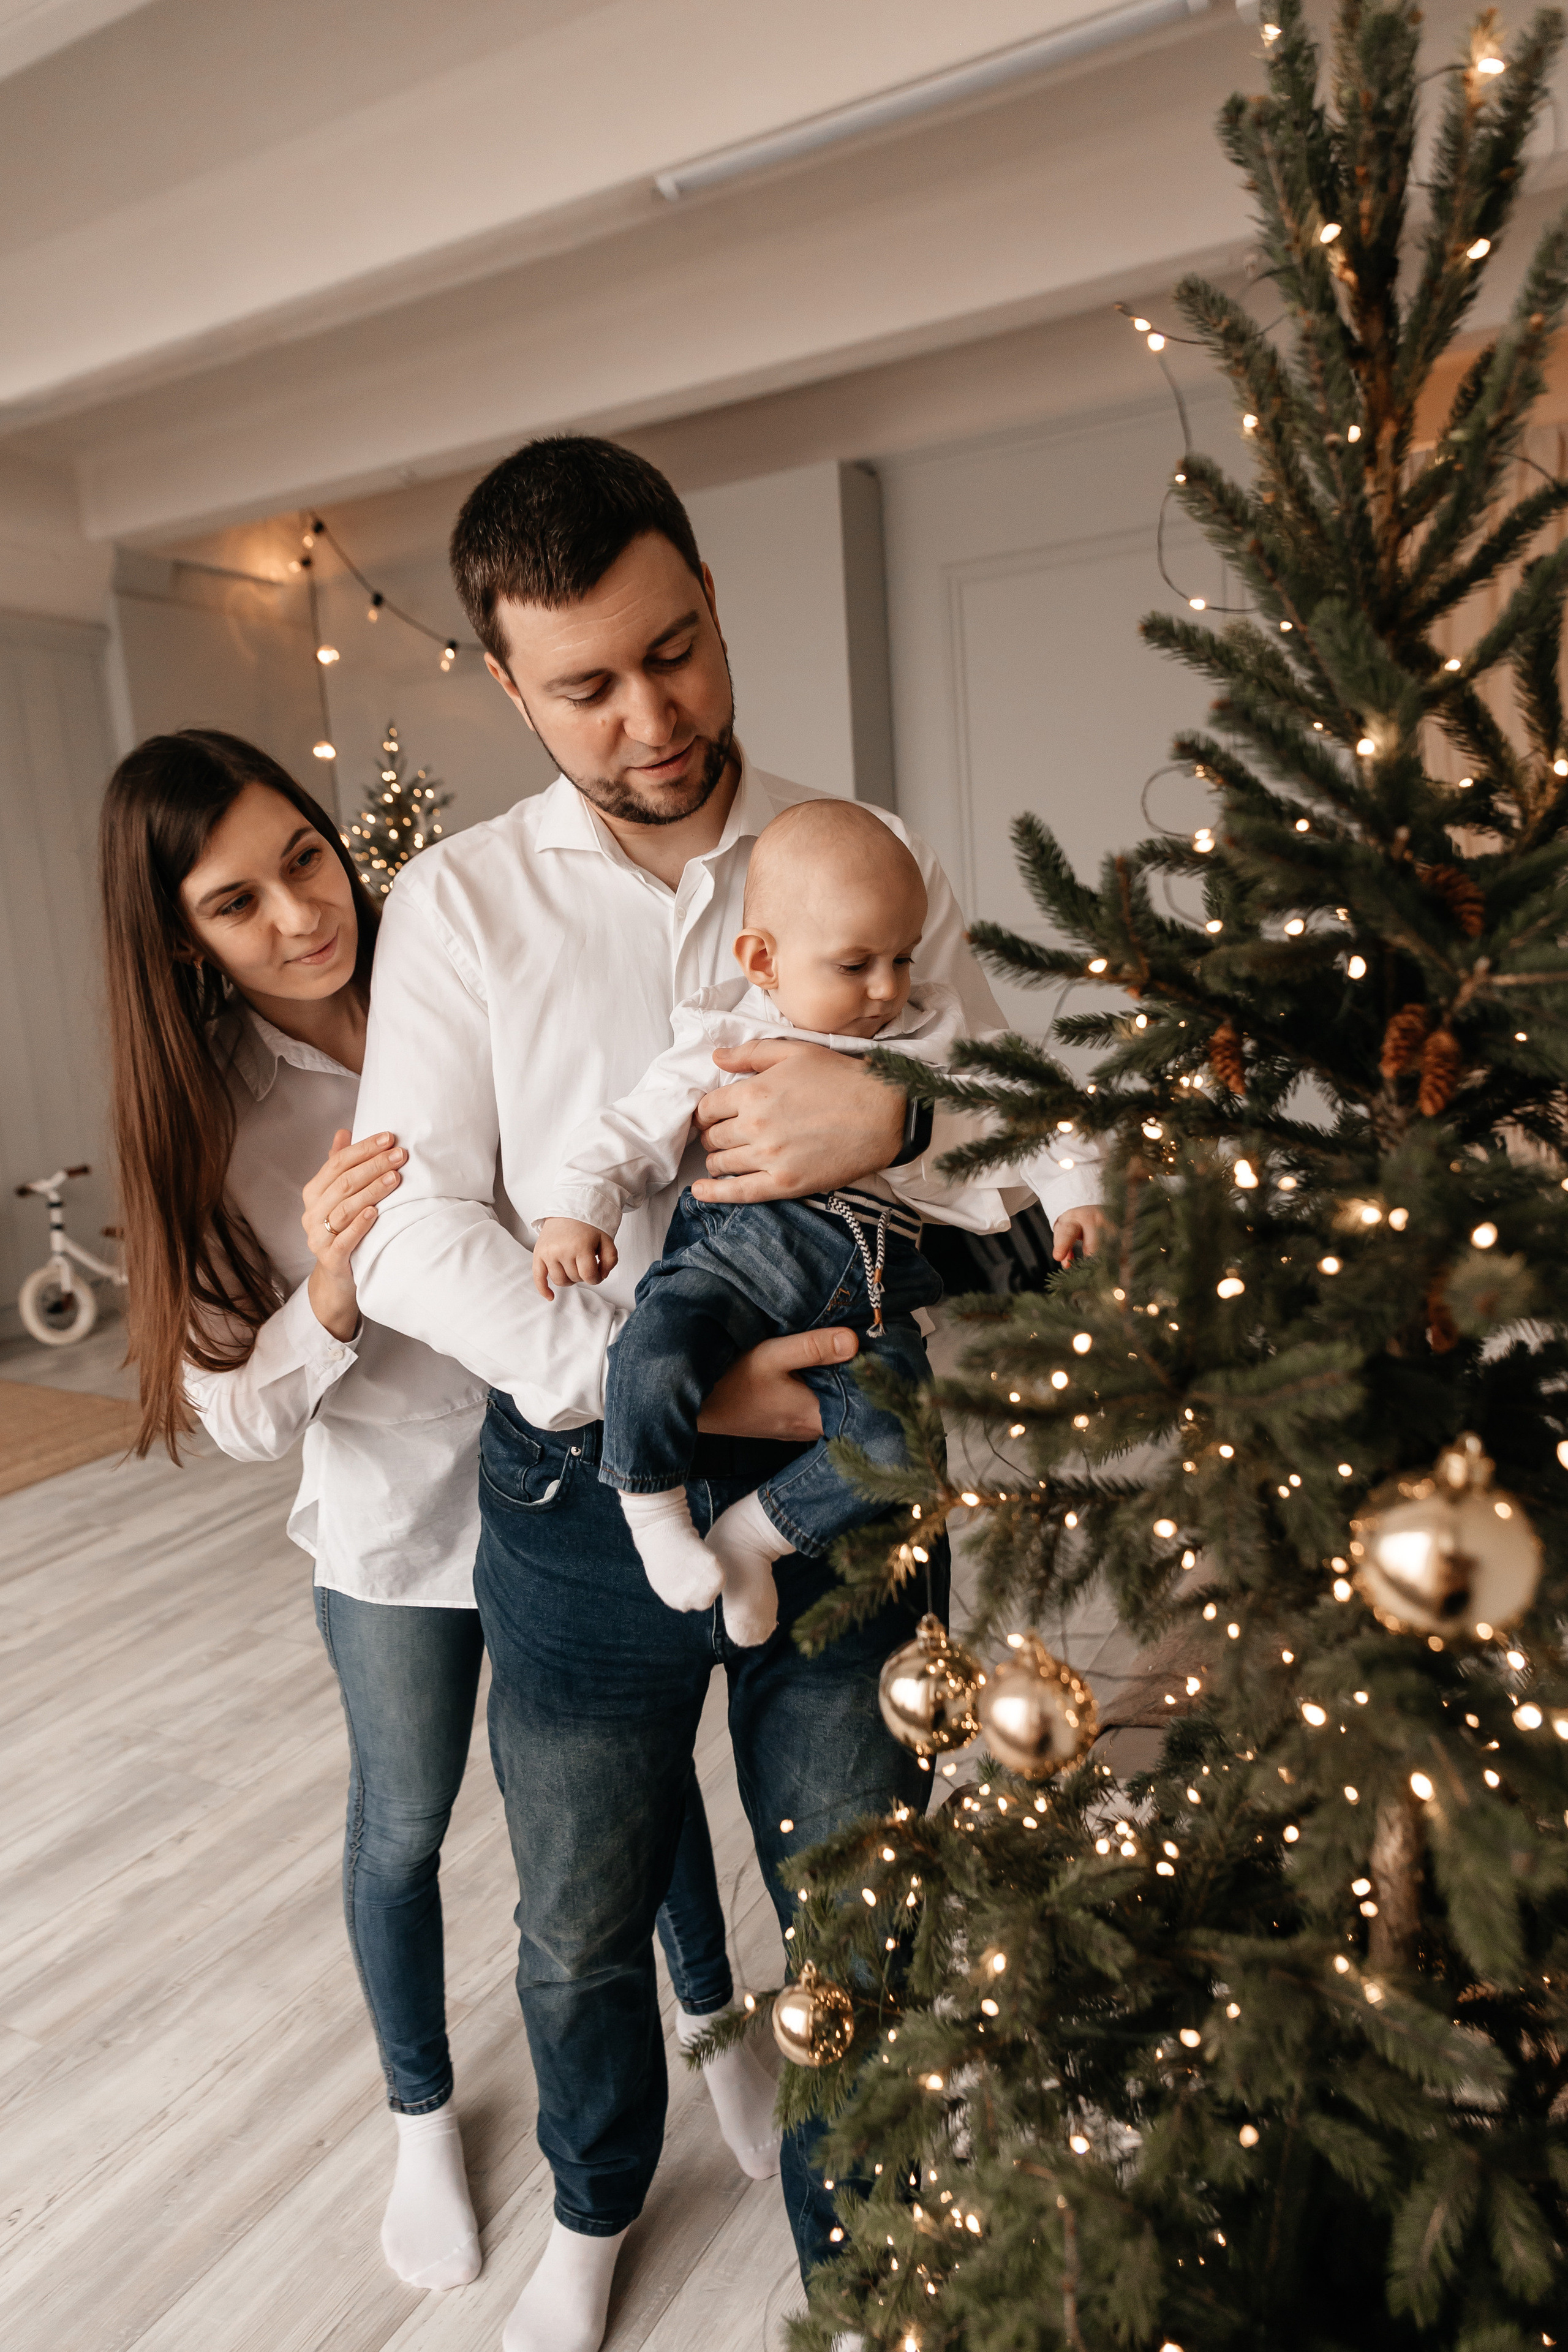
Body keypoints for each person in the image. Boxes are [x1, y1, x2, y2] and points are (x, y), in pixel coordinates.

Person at [348, 434, 1103, 2352]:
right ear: (510, 688)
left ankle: (869, 2272)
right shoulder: (456, 909)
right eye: (586, 687)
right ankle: (597, 2212)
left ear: (708, 598)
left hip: (852, 1499)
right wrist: (662, 1391)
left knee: (862, 1899)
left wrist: (909, 1106)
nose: (651, 713)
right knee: (582, 1919)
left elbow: (1047, 1141)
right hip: (579, 1496)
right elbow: (413, 1234)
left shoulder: (862, 857)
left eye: (674, 650)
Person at [97, 729, 778, 2307]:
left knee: (629, 1794)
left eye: (305, 862)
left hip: (571, 1475)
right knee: (401, 1828)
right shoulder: (208, 1118)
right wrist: (332, 1286)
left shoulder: (466, 955)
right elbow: (237, 1413)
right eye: (235, 905)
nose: (297, 916)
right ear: (181, 941)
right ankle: (419, 2113)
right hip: (401, 1535)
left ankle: (710, 2020)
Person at [532, 798, 1071, 1647]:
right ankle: (654, 1510)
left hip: (876, 1288)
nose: (890, 987)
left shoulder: (929, 1033)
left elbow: (1028, 1112)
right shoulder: (727, 1036)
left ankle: (752, 1539)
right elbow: (632, 1127)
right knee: (652, 1347)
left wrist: (1083, 1197)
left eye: (903, 956)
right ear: (764, 961)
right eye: (857, 965)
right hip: (739, 1261)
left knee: (903, 1449)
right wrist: (577, 1209)